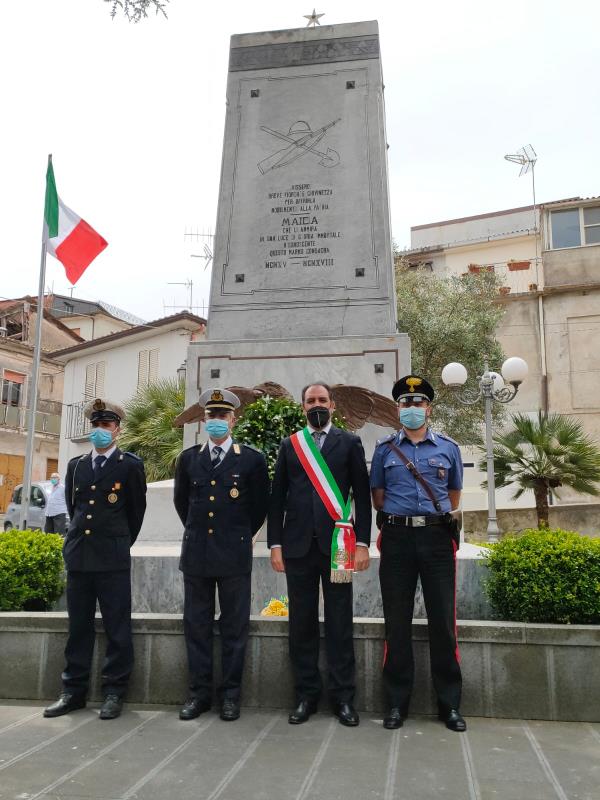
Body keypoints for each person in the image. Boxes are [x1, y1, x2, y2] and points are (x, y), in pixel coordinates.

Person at [268, 382, 371, 727]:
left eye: (322, 400)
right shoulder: (290, 444)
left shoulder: (350, 442)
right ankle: (306, 697)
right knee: (302, 624)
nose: (317, 405)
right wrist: (275, 544)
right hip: (297, 547)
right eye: (310, 400)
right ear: (302, 407)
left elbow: (363, 496)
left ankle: (343, 699)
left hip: (338, 547)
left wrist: (363, 543)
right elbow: (277, 497)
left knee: (340, 622)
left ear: (333, 405)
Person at [370, 375, 466, 732]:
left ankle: (449, 705)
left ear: (429, 408)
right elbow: (378, 498)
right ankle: (396, 704)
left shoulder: (448, 448)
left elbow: (453, 497)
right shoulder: (383, 449)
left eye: (418, 403)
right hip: (396, 539)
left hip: (437, 540)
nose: (412, 409)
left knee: (443, 621)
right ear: (398, 408)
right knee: (397, 623)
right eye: (405, 404)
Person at [44, 398, 147, 721]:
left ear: (118, 429)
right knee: (78, 628)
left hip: (112, 558)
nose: (100, 431)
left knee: (117, 628)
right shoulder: (76, 466)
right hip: (80, 557)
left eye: (106, 425)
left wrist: (117, 542)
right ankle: (72, 692)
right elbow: (76, 510)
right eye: (96, 425)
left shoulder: (130, 465)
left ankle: (114, 691)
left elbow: (136, 513)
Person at [174, 388, 269, 722]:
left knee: (234, 627)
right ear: (204, 420)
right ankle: (198, 695)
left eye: (222, 416)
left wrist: (240, 536)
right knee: (196, 627)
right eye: (211, 415)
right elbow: (182, 504)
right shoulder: (187, 459)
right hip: (197, 554)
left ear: (233, 419)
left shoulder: (252, 459)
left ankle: (230, 695)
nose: (216, 421)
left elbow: (259, 507)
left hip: (233, 554)